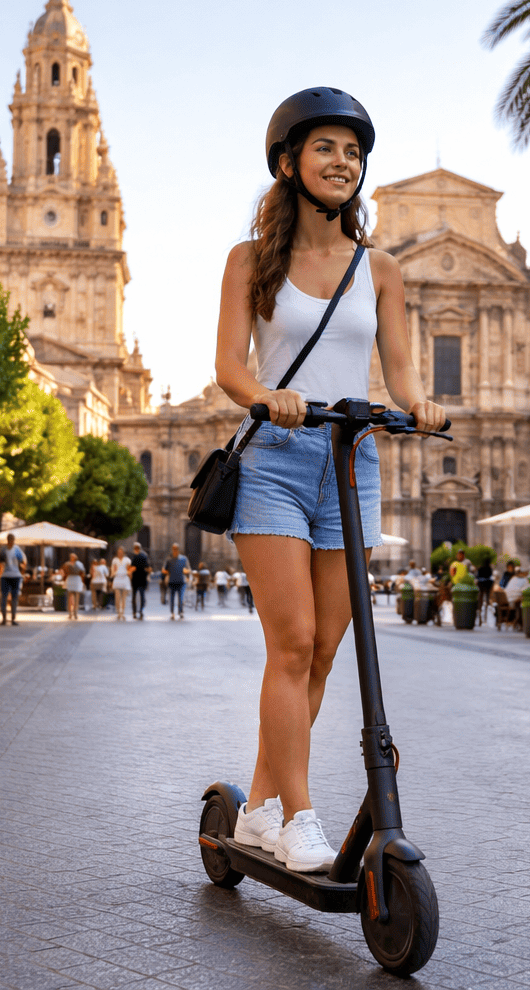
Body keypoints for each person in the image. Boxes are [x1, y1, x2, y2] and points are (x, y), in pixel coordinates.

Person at [215, 88, 445, 873]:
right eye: (326, 148)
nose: (342, 161)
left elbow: (403, 369)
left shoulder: (380, 268)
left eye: (353, 151)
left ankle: (257, 808)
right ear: (289, 163)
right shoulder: (250, 262)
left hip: (353, 461)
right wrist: (266, 397)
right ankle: (300, 815)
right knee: (294, 643)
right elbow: (228, 367)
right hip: (275, 460)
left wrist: (420, 406)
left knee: (321, 655)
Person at [0, 532, 28, 626]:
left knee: (14, 598)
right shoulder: (3, 550)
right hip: (5, 576)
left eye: (13, 540)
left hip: (15, 576)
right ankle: (4, 618)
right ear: (8, 540)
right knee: (4, 598)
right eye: (10, 540)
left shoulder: (17, 550)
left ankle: (13, 618)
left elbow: (23, 562)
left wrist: (22, 571)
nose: (11, 542)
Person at [163, 543, 190, 620]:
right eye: (173, 549)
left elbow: (188, 569)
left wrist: (186, 571)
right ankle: (172, 613)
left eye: (176, 549)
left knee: (181, 598)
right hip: (171, 582)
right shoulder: (169, 559)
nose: (175, 550)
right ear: (172, 550)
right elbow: (165, 569)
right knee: (171, 599)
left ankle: (180, 612)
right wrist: (166, 572)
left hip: (181, 582)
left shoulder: (184, 559)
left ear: (178, 550)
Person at [128, 542, 150, 620]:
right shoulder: (145, 556)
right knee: (142, 596)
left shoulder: (135, 556)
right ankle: (141, 611)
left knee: (134, 596)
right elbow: (148, 567)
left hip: (136, 579)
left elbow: (132, 567)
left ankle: (134, 612)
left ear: (136, 548)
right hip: (143, 578)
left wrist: (129, 571)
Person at [61, 555, 84, 620]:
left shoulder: (79, 564)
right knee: (69, 597)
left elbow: (82, 572)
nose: (72, 558)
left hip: (76, 580)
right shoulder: (67, 564)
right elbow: (63, 571)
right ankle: (70, 613)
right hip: (70, 580)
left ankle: (75, 612)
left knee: (76, 598)